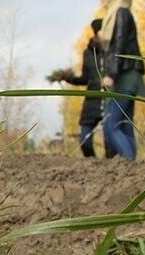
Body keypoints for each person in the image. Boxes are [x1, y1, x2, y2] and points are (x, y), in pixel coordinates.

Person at [96, 0, 145, 160]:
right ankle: (134, 172)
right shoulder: (117, 14)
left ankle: (128, 165)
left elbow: (119, 46)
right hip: (126, 73)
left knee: (111, 124)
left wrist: (111, 74)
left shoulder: (121, 13)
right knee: (125, 123)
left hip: (125, 74)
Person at [48, 18, 112, 158]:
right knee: (85, 139)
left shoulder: (113, 50)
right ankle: (93, 165)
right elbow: (85, 78)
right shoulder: (88, 53)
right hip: (92, 99)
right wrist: (67, 77)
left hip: (109, 98)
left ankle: (112, 167)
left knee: (110, 139)